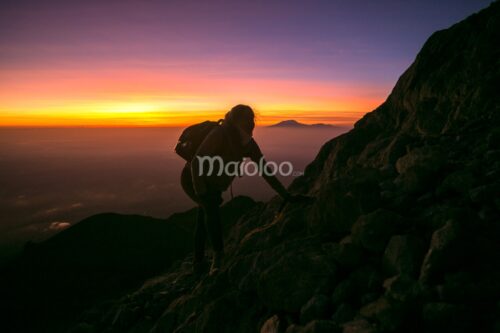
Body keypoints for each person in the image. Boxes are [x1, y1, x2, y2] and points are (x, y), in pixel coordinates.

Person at [181, 104, 301, 277]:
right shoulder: (220, 134)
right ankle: (218, 257)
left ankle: (198, 264)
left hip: (211, 184)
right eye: (247, 120)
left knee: (204, 217)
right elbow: (196, 162)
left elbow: (265, 170)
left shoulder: (248, 144)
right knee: (211, 211)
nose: (250, 123)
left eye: (252, 120)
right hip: (192, 179)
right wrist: (202, 193)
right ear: (235, 121)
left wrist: (286, 195)